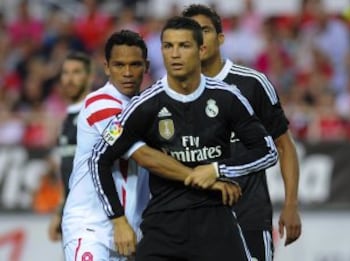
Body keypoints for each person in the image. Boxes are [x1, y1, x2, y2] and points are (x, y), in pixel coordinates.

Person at [90, 16, 278, 261]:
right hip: (164, 223)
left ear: (201, 50)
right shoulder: (144, 106)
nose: (175, 54)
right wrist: (117, 220)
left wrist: (217, 168)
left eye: (183, 46)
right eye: (168, 46)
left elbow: (267, 151)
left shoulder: (227, 98)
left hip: (216, 219)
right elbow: (99, 158)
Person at [61, 29, 240, 261]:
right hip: (92, 228)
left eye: (135, 64)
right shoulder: (100, 104)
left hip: (134, 231)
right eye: (119, 65)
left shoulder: (148, 106)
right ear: (106, 68)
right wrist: (203, 179)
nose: (127, 73)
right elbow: (144, 155)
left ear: (146, 67)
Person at [182, 4, 302, 260]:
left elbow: (284, 145)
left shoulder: (251, 83)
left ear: (221, 38)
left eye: (205, 30)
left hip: (249, 217)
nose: (199, 38)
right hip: (194, 220)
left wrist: (291, 205)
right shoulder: (172, 92)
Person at [48, 51, 93, 242]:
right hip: (72, 217)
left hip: (93, 217)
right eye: (65, 73)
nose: (69, 79)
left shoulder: (94, 113)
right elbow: (66, 172)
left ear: (89, 77)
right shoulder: (66, 120)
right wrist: (60, 212)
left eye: (76, 72)